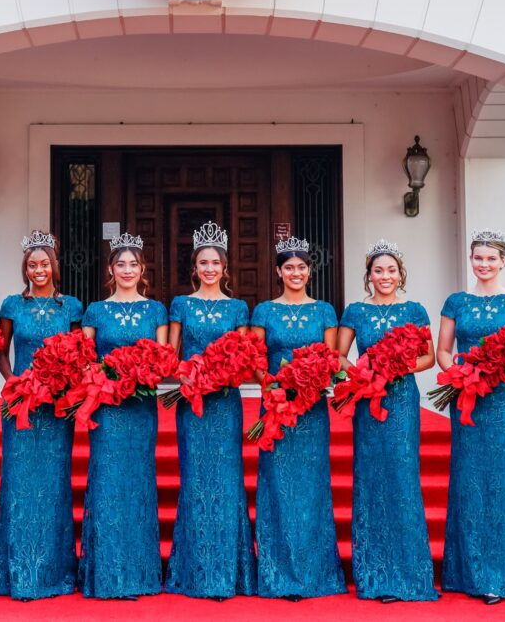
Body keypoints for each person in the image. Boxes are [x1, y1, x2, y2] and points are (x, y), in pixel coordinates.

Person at [436, 229, 505, 604]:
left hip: (503, 400)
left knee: (503, 479)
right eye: (478, 258)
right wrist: (460, 374)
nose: (484, 264)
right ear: (471, 260)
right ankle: (468, 572)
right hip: (466, 399)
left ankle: (504, 574)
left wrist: (502, 365)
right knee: (469, 480)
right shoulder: (456, 301)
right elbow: (442, 351)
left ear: (503, 262)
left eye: (490, 259)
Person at [336, 240, 438, 602]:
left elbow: (428, 357)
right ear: (368, 275)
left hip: (401, 401)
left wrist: (396, 368)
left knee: (402, 476)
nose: (385, 276)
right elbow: (338, 356)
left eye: (391, 270)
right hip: (367, 402)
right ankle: (375, 572)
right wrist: (364, 373)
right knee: (372, 478)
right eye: (378, 270)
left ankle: (410, 573)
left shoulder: (415, 310)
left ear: (400, 274)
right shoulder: (355, 312)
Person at [250, 236, 347, 599]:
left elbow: (333, 360)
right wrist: (273, 387)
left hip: (311, 411)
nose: (295, 272)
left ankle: (314, 574)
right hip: (275, 408)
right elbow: (256, 360)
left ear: (310, 271)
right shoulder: (263, 311)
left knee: (311, 488)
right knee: (277, 488)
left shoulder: (324, 311)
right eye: (288, 267)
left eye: (301, 267)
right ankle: (279, 575)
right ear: (278, 271)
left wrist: (311, 385)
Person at [164, 222, 256, 599]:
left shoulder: (238, 308)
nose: (209, 268)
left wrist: (224, 372)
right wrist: (192, 374)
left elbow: (248, 357)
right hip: (192, 405)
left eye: (215, 262)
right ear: (194, 267)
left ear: (225, 267)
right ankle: (195, 571)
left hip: (225, 404)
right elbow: (170, 356)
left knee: (227, 481)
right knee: (196, 482)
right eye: (203, 262)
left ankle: (229, 573)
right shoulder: (180, 305)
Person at [0, 231, 83, 599]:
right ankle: (17, 572)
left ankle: (55, 572)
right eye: (32, 265)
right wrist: (14, 382)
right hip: (21, 405)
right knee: (20, 482)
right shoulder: (12, 305)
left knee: (54, 483)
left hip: (58, 409)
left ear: (54, 266)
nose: (39, 270)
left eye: (44, 264)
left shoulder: (72, 307)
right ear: (25, 268)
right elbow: (0, 351)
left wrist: (67, 385)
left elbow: (81, 354)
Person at [78, 233, 169, 598]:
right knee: (108, 483)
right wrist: (109, 375)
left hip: (140, 409)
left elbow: (164, 361)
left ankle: (140, 573)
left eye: (133, 264)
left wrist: (139, 372)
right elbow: (84, 358)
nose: (127, 270)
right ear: (110, 270)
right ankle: (107, 573)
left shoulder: (155, 310)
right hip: (108, 410)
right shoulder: (96, 311)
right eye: (121, 264)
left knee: (138, 483)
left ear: (142, 269)